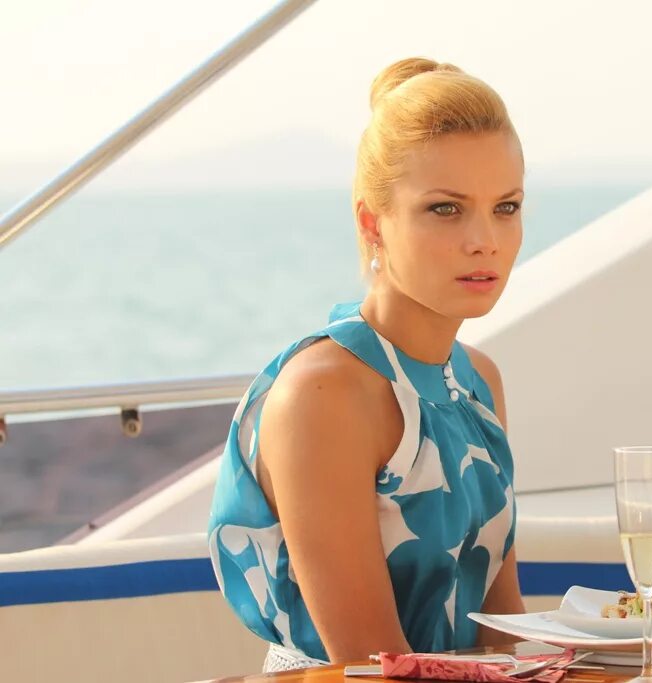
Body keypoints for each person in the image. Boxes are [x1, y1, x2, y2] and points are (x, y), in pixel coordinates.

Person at [208, 57, 526, 672]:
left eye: (506, 207)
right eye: (446, 208)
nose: (485, 240)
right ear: (372, 222)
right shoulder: (323, 395)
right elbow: (373, 664)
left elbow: (504, 632)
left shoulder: (478, 382)